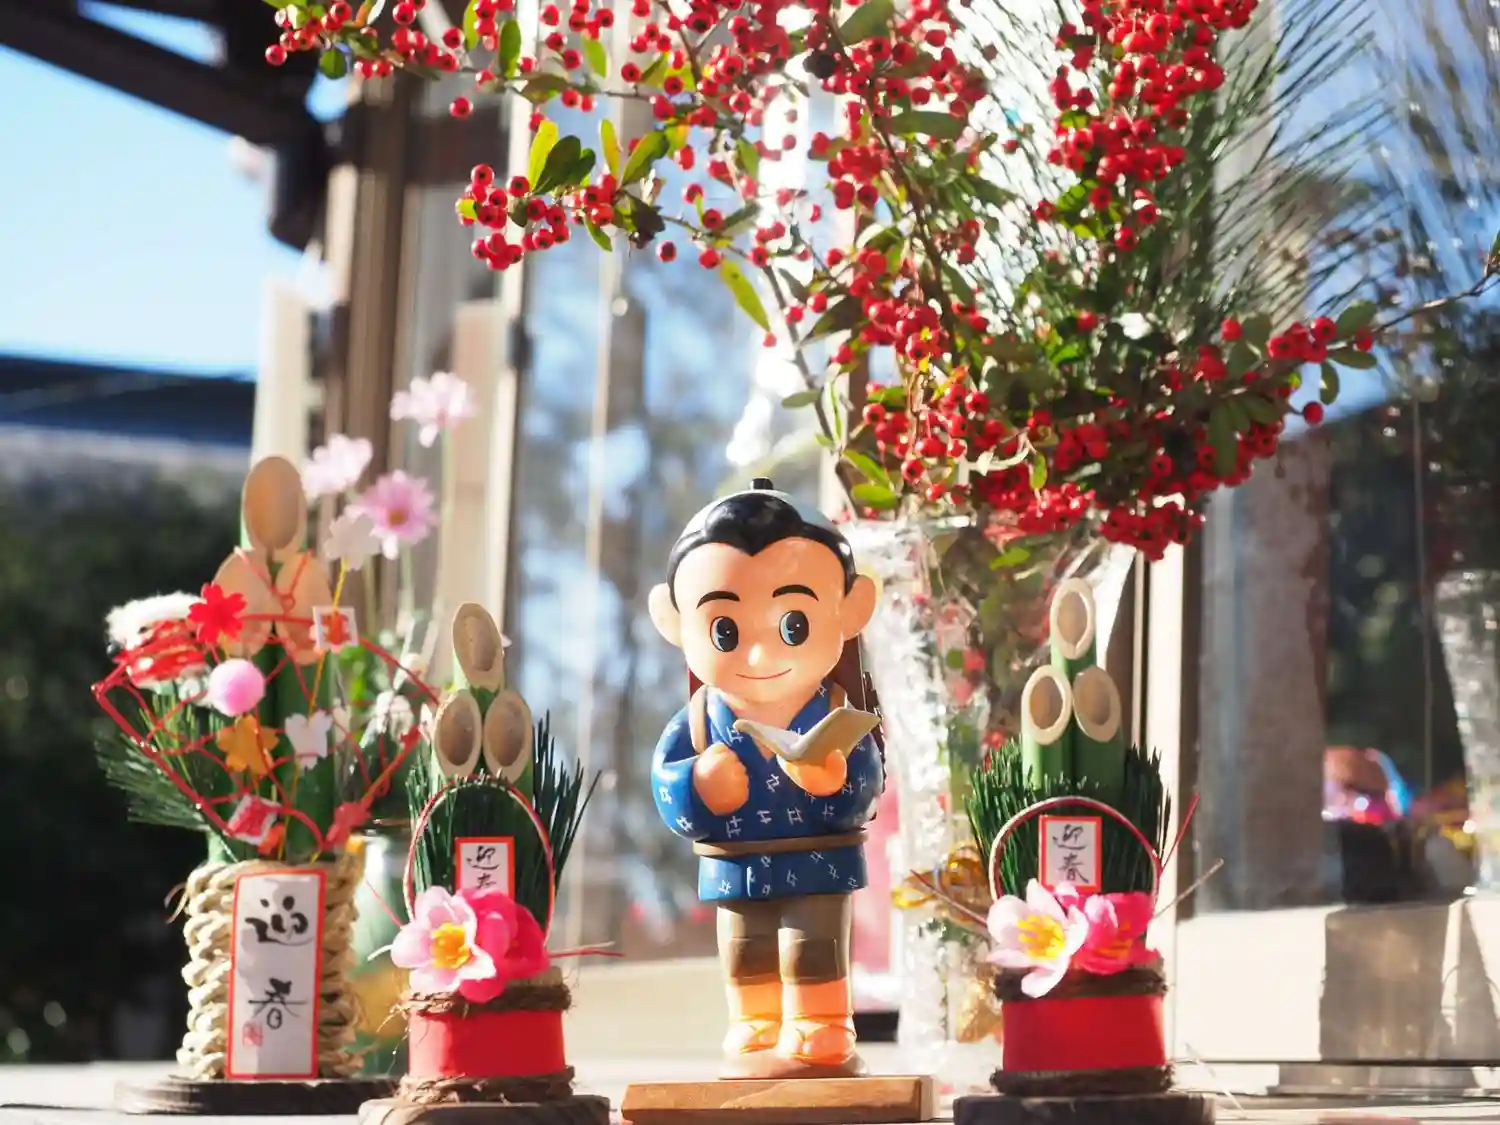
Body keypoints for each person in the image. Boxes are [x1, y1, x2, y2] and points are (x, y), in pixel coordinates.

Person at [647, 478, 885, 1079]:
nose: (759, 656)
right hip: (735, 864)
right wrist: (698, 787)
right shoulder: (698, 721)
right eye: (725, 631)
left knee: (814, 947)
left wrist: (836, 780)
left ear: (850, 610)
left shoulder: (837, 712)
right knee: (744, 951)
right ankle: (754, 1029)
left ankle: (821, 1027)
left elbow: (868, 781)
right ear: (675, 622)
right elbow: (666, 784)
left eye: (793, 625)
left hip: (819, 862)